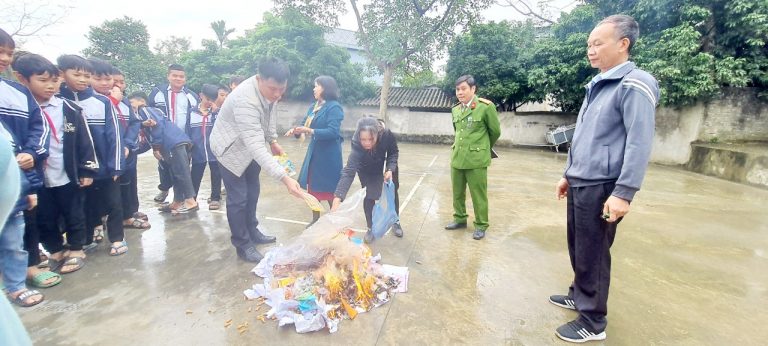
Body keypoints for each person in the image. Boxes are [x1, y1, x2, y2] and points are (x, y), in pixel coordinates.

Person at [550, 15, 659, 343]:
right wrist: (568, 175)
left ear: (623, 44)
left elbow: (639, 141)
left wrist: (624, 192)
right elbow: (584, 136)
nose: (591, 50)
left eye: (598, 43)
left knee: (594, 251)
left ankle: (593, 321)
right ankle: (579, 294)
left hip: (603, 185)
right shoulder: (598, 85)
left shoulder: (635, 83)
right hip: (582, 180)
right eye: (589, 45)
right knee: (578, 246)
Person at [12, 53, 98, 283]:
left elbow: (84, 141)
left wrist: (87, 169)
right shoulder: (21, 109)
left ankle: (77, 248)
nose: (50, 86)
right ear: (23, 79)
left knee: (74, 211)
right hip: (37, 175)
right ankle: (56, 251)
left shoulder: (68, 108)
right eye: (43, 80)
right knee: (44, 216)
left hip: (66, 171)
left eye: (54, 80)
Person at [209, 57, 303, 263]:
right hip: (229, 149)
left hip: (249, 146)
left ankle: (252, 230)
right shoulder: (245, 99)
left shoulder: (270, 93)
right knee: (238, 198)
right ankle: (242, 244)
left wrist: (273, 140)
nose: (277, 94)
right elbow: (255, 146)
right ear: (259, 79)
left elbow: (269, 117)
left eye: (282, 89)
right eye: (273, 89)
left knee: (253, 191)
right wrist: (285, 178)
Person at [57, 55, 126, 256]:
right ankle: (84, 239)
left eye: (86, 75)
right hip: (79, 169)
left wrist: (116, 165)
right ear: (62, 74)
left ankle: (117, 238)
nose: (82, 80)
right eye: (77, 74)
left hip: (105, 166)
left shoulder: (102, 102)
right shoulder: (60, 102)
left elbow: (115, 135)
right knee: (84, 205)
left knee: (114, 203)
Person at [0, 29, 49, 308]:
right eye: (1, 52)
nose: (5, 58)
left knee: (12, 236)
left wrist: (31, 153)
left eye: (9, 52)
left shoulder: (18, 93)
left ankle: (16, 286)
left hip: (14, 179)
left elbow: (37, 128)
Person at [444, 75, 501, 240]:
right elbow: (458, 132)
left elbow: (495, 132)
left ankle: (481, 225)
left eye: (463, 89)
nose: (460, 92)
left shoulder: (485, 107)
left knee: (478, 194)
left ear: (473, 89)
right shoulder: (455, 109)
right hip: (457, 157)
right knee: (457, 192)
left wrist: (482, 148)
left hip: (476, 160)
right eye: (457, 89)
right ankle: (460, 219)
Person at [331, 116, 403, 242]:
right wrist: (337, 198)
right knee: (369, 195)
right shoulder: (357, 143)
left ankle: (395, 221)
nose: (367, 143)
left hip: (386, 164)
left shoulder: (386, 135)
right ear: (359, 136)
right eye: (363, 139)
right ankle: (370, 227)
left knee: (392, 191)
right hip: (367, 166)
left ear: (377, 134)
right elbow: (349, 171)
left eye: (371, 139)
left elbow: (393, 152)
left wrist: (390, 169)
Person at [286, 76, 344, 225]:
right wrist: (297, 131)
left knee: (331, 189)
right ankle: (315, 219)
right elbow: (304, 124)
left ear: (325, 88)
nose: (314, 88)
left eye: (316, 86)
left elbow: (333, 132)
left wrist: (310, 131)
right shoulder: (314, 106)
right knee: (314, 189)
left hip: (329, 157)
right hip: (315, 154)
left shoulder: (334, 107)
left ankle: (334, 220)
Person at [129, 92, 198, 214]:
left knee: (181, 173)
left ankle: (190, 202)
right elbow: (149, 138)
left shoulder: (144, 110)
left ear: (141, 102)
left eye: (131, 103)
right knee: (176, 173)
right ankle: (177, 201)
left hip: (172, 143)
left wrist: (156, 148)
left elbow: (156, 127)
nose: (130, 106)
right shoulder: (154, 111)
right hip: (176, 142)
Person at [148, 64, 199, 203]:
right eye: (175, 76)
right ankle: (164, 188)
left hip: (183, 139)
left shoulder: (191, 96)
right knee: (164, 165)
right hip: (164, 138)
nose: (178, 79)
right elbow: (149, 114)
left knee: (182, 169)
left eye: (181, 76)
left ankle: (179, 199)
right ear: (168, 76)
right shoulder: (157, 93)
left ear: (185, 78)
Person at [111, 67, 149, 229]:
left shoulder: (125, 102)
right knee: (111, 186)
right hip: (111, 150)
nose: (119, 85)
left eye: (122, 82)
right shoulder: (102, 101)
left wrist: (127, 144)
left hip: (128, 149)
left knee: (129, 182)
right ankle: (107, 217)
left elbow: (134, 123)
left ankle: (129, 213)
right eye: (115, 81)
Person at [188, 84, 222, 210]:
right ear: (201, 96)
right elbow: (188, 131)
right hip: (198, 151)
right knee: (195, 175)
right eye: (208, 99)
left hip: (214, 151)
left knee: (216, 174)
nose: (210, 103)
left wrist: (213, 114)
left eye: (213, 100)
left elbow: (220, 129)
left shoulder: (217, 113)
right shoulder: (191, 113)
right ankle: (192, 198)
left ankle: (215, 198)